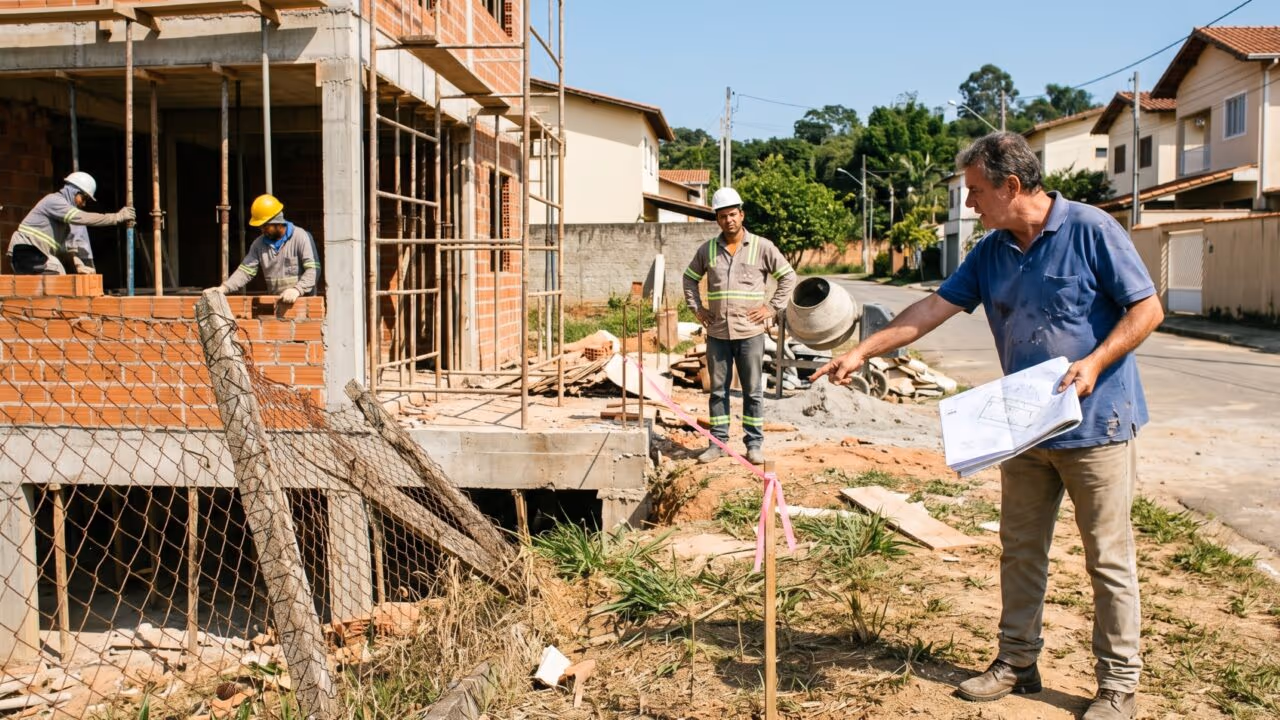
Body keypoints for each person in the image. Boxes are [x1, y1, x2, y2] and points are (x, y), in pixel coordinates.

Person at [813, 132, 1163, 720]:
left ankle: (1118, 685)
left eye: (976, 191)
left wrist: (1096, 362)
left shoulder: (1091, 229)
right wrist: (863, 351)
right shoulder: (992, 250)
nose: (970, 203)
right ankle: (1018, 662)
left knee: (1107, 557)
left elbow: (1147, 308)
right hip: (1025, 428)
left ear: (1012, 186)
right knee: (1020, 549)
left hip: (1096, 426)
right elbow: (931, 309)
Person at [682, 187, 796, 466]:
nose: (728, 220)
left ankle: (754, 444)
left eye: (733, 214)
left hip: (750, 334)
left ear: (741, 214)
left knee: (753, 390)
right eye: (722, 216)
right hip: (718, 333)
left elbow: (788, 277)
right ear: (717, 219)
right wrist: (697, 309)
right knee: (717, 390)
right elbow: (689, 279)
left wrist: (771, 308)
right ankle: (717, 443)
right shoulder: (707, 249)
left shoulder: (762, 247)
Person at [6, 172, 134, 275]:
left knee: (59, 274)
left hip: (33, 255)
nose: (83, 204)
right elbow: (84, 218)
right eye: (84, 199)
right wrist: (117, 217)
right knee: (57, 273)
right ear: (74, 191)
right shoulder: (54, 201)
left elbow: (66, 250)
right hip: (24, 252)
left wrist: (79, 265)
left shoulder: (63, 223)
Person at [207, 194, 320, 303]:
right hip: (277, 303)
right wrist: (223, 288)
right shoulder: (258, 244)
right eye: (261, 226)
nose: (262, 230)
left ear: (278, 222)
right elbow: (245, 271)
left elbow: (313, 270)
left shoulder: (301, 237)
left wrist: (297, 290)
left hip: (303, 304)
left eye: (266, 226)